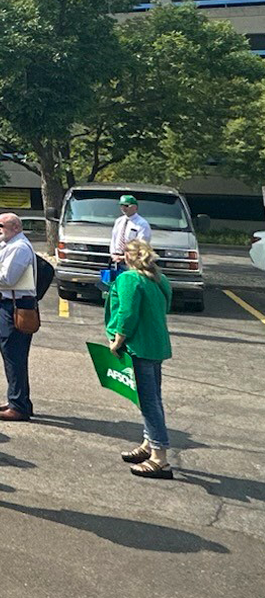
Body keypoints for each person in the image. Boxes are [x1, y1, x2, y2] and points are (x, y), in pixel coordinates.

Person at [106, 239, 176, 479]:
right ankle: (149, 444)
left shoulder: (129, 279)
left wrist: (117, 342)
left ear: (128, 257)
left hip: (139, 346)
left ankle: (159, 458)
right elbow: (166, 306)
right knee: (153, 397)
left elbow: (127, 313)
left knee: (148, 402)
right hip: (157, 344)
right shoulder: (160, 279)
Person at [0, 213, 38, 422]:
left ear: (16, 227)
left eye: (1, 225)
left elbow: (7, 278)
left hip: (15, 307)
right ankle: (17, 399)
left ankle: (19, 406)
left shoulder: (19, 248)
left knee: (14, 356)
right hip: (7, 304)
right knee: (11, 355)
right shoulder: (9, 246)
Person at [110, 195, 153, 265]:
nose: (123, 208)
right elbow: (114, 238)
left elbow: (142, 245)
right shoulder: (119, 221)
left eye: (126, 205)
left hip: (133, 260)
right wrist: (113, 254)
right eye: (121, 205)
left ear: (135, 207)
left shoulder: (142, 224)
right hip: (117, 258)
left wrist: (126, 257)